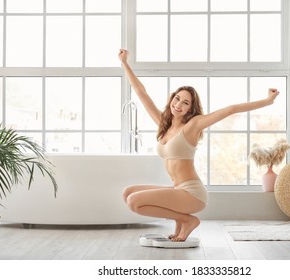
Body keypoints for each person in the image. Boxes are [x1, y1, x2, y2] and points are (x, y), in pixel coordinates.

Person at [119, 49, 279, 242]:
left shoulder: (193, 126)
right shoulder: (164, 124)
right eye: (177, 99)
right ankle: (181, 222)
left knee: (134, 201)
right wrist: (125, 63)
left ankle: (186, 220)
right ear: (172, 99)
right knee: (128, 192)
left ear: (190, 109)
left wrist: (268, 101)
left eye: (185, 103)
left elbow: (231, 109)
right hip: (178, 189)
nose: (178, 105)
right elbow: (141, 92)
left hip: (192, 193)